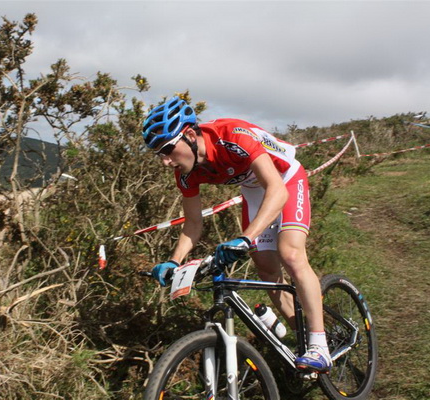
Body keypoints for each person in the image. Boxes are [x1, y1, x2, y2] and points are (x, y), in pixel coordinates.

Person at [142, 96, 331, 373]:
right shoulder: (185, 173)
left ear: (191, 135)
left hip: (285, 178)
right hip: (254, 191)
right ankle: (304, 340)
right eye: (159, 153)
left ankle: (320, 345)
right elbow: (193, 223)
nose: (165, 161)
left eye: (168, 149)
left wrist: (245, 238)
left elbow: (277, 190)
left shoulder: (231, 136)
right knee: (267, 270)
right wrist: (174, 261)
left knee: (290, 253)